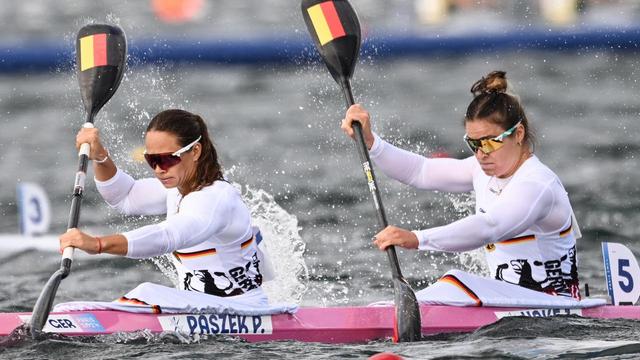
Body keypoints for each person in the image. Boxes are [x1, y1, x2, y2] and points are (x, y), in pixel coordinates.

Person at [341, 71, 581, 299]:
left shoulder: (537, 185)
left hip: (556, 309)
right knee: (454, 284)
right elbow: (420, 171)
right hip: (509, 306)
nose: (480, 154)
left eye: (489, 143)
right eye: (474, 144)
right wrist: (372, 142)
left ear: (518, 134)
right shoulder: (481, 171)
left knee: (456, 281)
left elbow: (490, 226)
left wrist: (417, 238)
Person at [59, 109, 267, 304]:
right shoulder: (177, 189)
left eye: (167, 159)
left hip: (244, 309)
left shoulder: (214, 198)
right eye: (152, 160)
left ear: (195, 151)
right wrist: (101, 157)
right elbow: (124, 196)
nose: (159, 170)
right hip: (205, 311)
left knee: (146, 292)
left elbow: (168, 236)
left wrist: (98, 244)